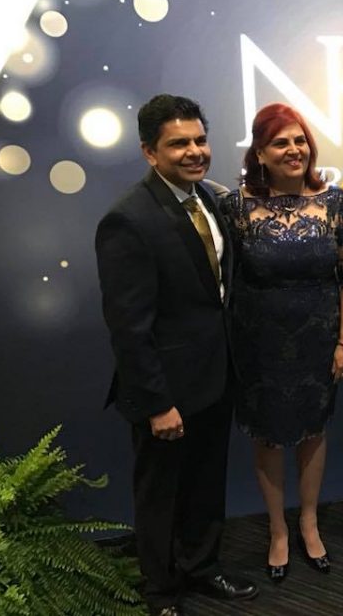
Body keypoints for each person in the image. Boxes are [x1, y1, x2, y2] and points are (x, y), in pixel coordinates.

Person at [95, 94, 258, 616]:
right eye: (178, 144)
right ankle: (161, 592)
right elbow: (129, 326)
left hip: (214, 379)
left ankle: (203, 568)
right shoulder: (129, 220)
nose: (194, 151)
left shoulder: (207, 199)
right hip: (166, 391)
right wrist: (156, 403)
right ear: (149, 152)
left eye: (199, 140)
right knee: (161, 494)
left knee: (207, 484)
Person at [220, 103, 343, 582]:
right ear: (260, 152)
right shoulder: (235, 207)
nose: (294, 149)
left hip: (319, 342)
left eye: (300, 139)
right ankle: (278, 531)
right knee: (267, 436)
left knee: (312, 432)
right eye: (281, 142)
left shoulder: (335, 202)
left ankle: (309, 521)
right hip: (257, 344)